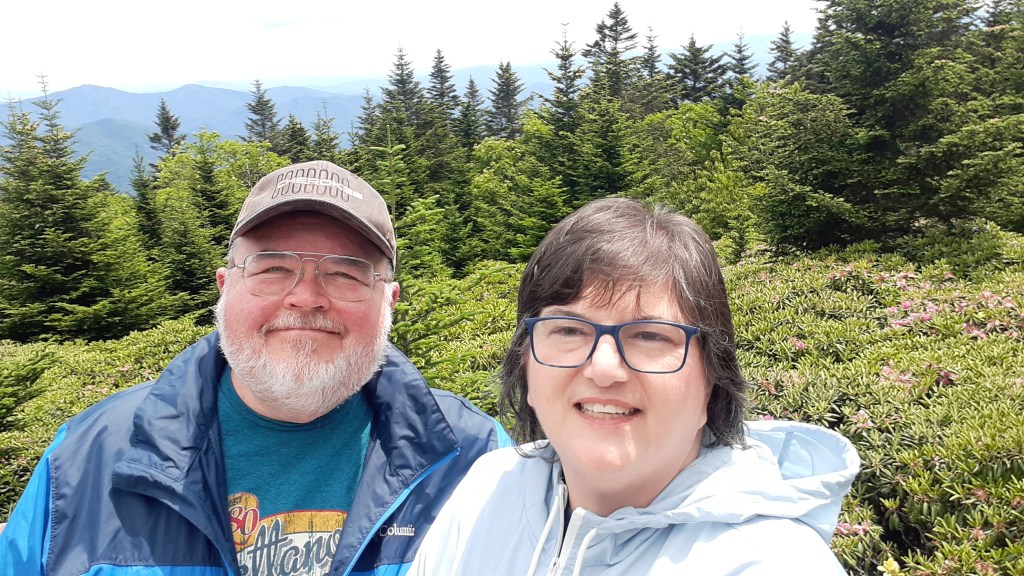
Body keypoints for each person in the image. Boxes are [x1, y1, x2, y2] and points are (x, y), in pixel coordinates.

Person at [0, 160, 511, 576]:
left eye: (346, 274)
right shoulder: (86, 457)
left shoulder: (473, 457)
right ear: (225, 287)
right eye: (273, 269)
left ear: (389, 301)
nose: (307, 297)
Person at [409, 198, 860, 575]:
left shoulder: (770, 562)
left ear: (711, 381)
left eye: (650, 336)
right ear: (525, 362)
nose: (604, 369)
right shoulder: (487, 488)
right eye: (568, 330)